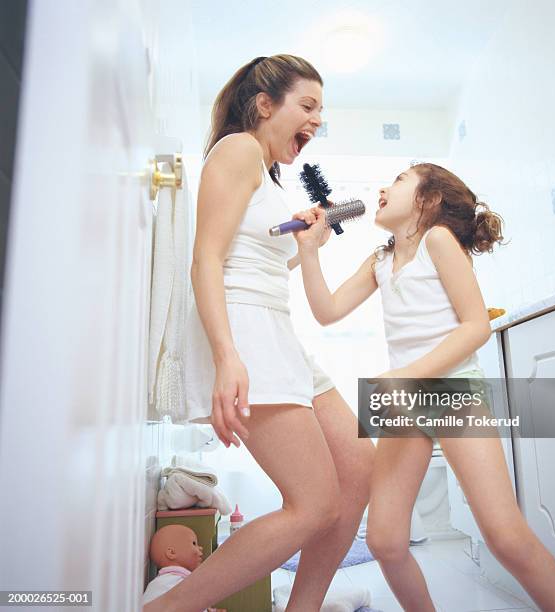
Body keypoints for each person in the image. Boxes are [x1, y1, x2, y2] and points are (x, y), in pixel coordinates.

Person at [293, 162, 555, 611]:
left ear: (427, 201)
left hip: (452, 392)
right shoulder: (381, 260)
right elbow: (327, 311)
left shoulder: (438, 242)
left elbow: (475, 328)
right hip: (404, 400)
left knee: (504, 535)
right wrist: (309, 251)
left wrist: (410, 376)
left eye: (399, 181)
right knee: (386, 541)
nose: (383, 188)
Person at [144, 54, 374, 612]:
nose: (316, 121)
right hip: (247, 334)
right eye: (308, 106)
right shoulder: (239, 149)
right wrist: (227, 357)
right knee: (313, 501)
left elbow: (257, 265)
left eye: (321, 111)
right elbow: (206, 261)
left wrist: (307, 248)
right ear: (265, 104)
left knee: (360, 466)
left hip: (277, 333)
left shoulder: (267, 174)